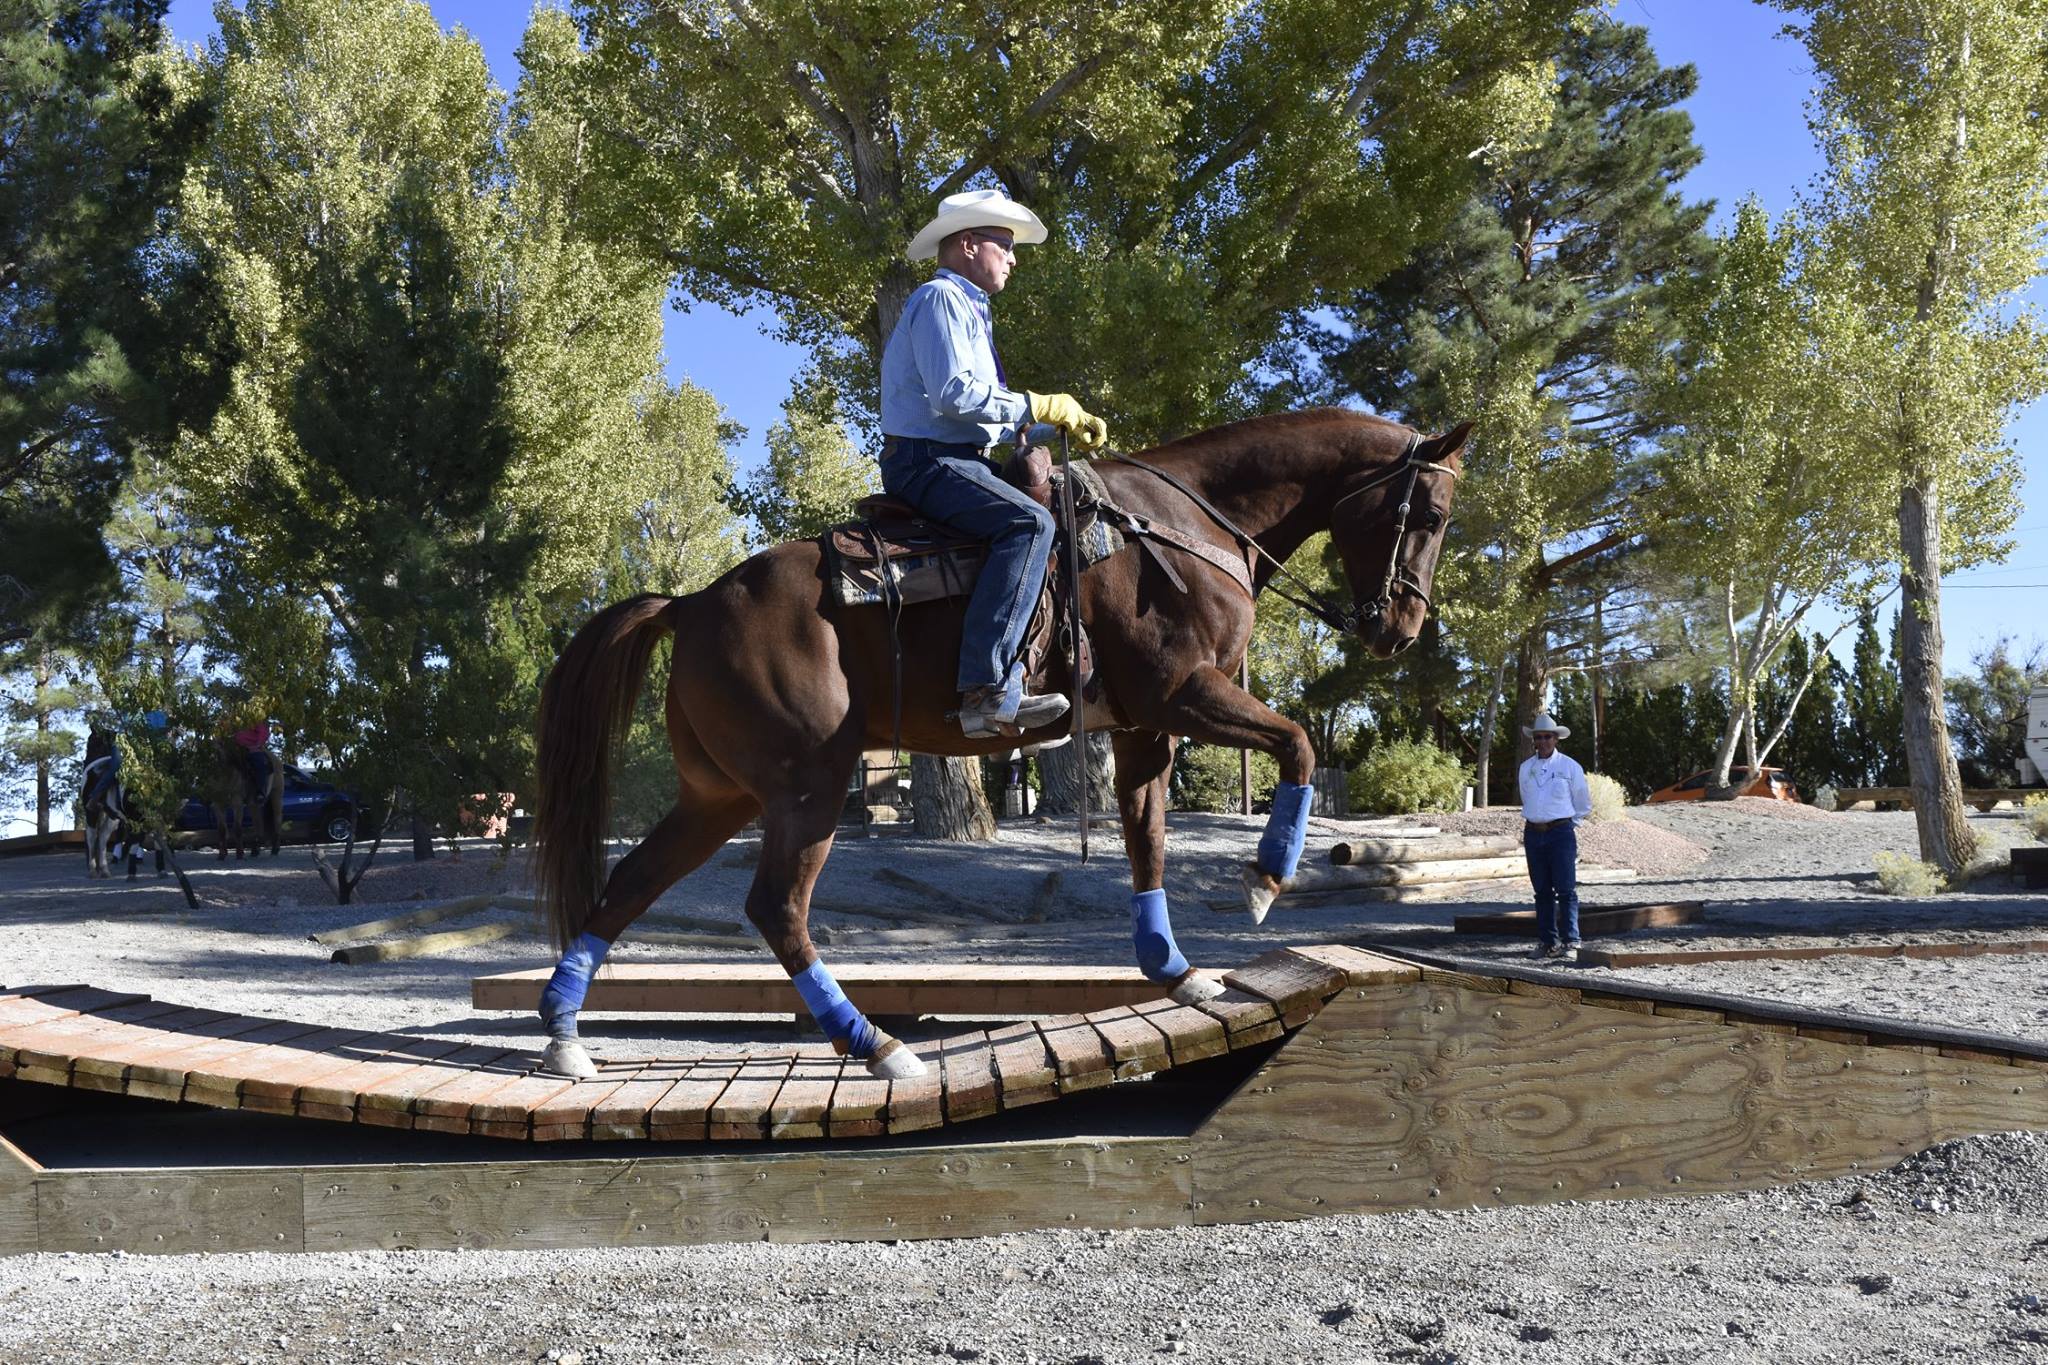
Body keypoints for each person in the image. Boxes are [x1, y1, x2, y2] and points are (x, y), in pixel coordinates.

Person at [878, 188, 1110, 738]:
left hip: (957, 456)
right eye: (1004, 245)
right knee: (1030, 524)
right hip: (928, 461)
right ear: (967, 245)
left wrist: (1058, 424)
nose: (1013, 257)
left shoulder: (968, 309)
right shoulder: (940, 299)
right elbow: (955, 394)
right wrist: (1041, 402)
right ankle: (984, 688)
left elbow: (987, 416)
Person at [1518, 712, 1592, 963]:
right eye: (1538, 737)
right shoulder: (1526, 768)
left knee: (1566, 889)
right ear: (1534, 740)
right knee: (1541, 891)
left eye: (1547, 736)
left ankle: (1572, 940)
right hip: (1533, 831)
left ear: (1556, 738)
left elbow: (1582, 801)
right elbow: (1526, 797)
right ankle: (1548, 941)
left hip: (1560, 831)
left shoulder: (1570, 767)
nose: (1543, 741)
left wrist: (1571, 823)